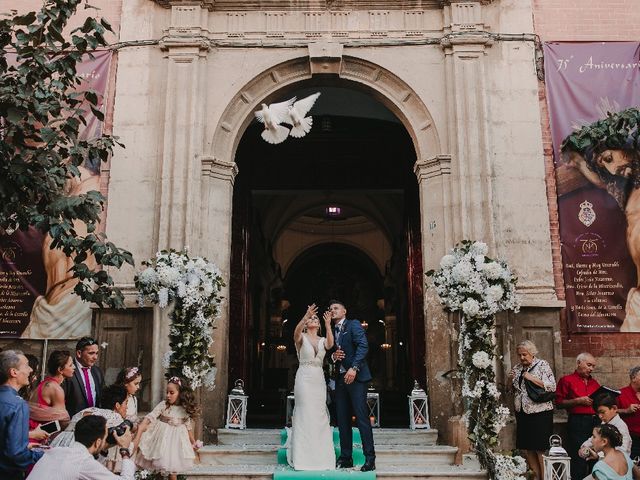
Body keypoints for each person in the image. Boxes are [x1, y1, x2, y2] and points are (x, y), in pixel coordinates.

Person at [328, 300, 376, 472]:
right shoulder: (331, 330)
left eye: (336, 308)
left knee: (362, 419)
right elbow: (327, 354)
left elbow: (363, 346)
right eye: (331, 309)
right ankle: (346, 457)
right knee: (342, 419)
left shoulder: (354, 325)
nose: (333, 311)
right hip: (340, 379)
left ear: (344, 311)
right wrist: (333, 356)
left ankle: (370, 459)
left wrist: (354, 368)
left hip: (356, 378)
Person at [286, 304, 335, 470]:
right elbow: (295, 333)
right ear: (306, 324)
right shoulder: (301, 338)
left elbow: (330, 344)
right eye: (311, 319)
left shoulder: (322, 340)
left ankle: (321, 457)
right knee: (304, 412)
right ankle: (303, 457)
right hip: (304, 379)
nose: (313, 320)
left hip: (318, 379)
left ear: (319, 324)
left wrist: (328, 324)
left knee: (319, 413)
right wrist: (305, 316)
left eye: (315, 318)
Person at [28, 414, 135, 480]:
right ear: (97, 442)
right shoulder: (83, 462)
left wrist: (104, 448)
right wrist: (124, 449)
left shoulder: (56, 451)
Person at [135, 376, 201, 480]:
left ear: (181, 394)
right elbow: (152, 415)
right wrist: (144, 423)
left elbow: (188, 427)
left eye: (171, 393)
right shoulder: (164, 405)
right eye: (167, 392)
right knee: (158, 466)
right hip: (161, 440)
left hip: (175, 443)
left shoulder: (184, 409)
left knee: (173, 470)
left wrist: (193, 442)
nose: (168, 395)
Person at [508, 340, 556, 480]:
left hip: (540, 413)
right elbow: (510, 391)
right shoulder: (517, 368)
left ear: (532, 353)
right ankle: (536, 477)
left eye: (525, 354)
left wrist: (531, 378)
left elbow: (552, 386)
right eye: (520, 355)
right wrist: (509, 380)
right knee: (528, 447)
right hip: (522, 412)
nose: (522, 358)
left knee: (539, 448)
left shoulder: (542, 365)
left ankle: (545, 478)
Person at [0, 350, 44, 479]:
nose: (30, 370)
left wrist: (24, 444)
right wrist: (43, 455)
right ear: (14, 372)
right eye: (26, 365)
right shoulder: (18, 405)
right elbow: (16, 455)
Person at [557, 352, 601, 479]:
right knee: (579, 456)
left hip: (595, 421)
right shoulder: (566, 380)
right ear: (578, 363)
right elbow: (559, 403)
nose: (591, 369)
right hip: (578, 421)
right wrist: (578, 401)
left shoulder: (594, 383)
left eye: (593, 366)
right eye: (588, 365)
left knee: (596, 454)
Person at [51, 384, 129, 448]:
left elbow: (69, 424)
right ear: (117, 405)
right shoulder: (116, 418)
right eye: (126, 403)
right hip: (78, 449)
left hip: (59, 443)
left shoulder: (89, 409)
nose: (127, 407)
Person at [28, 350, 74, 434]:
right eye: (71, 365)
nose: (74, 367)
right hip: (39, 437)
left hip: (34, 432)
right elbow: (63, 421)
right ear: (60, 369)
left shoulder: (44, 383)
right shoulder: (55, 388)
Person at [106, 367, 142, 472]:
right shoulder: (119, 399)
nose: (138, 387)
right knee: (115, 468)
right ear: (126, 383)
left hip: (129, 439)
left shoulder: (134, 399)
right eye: (135, 384)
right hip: (118, 440)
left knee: (126, 468)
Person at [581, 394, 632, 461]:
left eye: (603, 412)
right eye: (598, 413)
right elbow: (593, 439)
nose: (600, 416)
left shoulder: (621, 427)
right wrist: (584, 447)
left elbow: (621, 452)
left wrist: (598, 456)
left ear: (614, 408)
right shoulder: (604, 423)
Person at [63, 336, 105, 416]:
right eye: (91, 353)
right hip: (73, 422)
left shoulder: (97, 372)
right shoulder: (68, 371)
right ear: (79, 353)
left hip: (94, 422)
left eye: (97, 353)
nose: (95, 357)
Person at [617, 366, 640, 459]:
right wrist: (626, 410)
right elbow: (611, 412)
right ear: (633, 378)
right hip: (631, 439)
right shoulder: (621, 393)